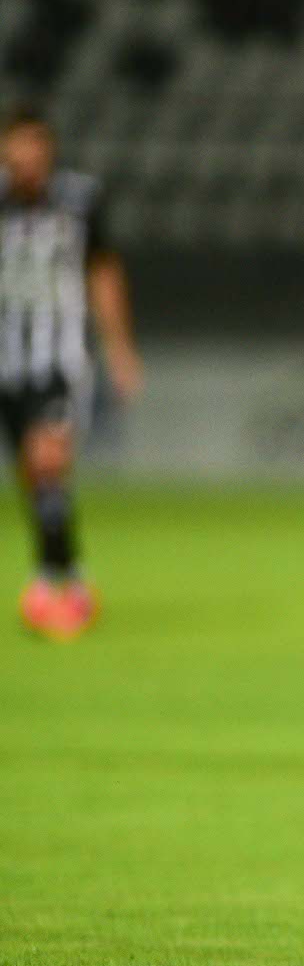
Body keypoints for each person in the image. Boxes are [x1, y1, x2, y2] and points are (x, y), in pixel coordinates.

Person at [1, 106, 142, 639]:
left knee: (47, 459)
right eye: (18, 145)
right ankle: (70, 573)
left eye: (37, 145)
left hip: (60, 359)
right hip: (7, 361)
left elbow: (103, 273)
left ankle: (48, 585)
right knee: (32, 474)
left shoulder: (78, 201)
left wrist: (120, 348)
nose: (28, 157)